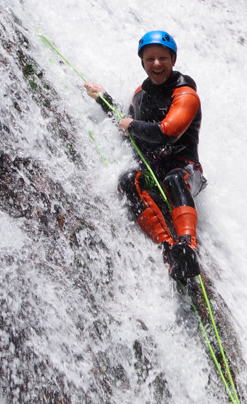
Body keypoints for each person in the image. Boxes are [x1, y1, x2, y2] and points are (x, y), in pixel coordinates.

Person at [84, 30, 205, 283]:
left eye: (162, 58)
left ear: (173, 60)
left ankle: (187, 245)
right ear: (143, 62)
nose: (157, 64)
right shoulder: (141, 93)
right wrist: (103, 99)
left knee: (174, 180)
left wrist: (131, 126)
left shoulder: (185, 94)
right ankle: (169, 248)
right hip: (154, 173)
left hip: (186, 171)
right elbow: (126, 123)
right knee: (128, 179)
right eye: (150, 59)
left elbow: (167, 132)